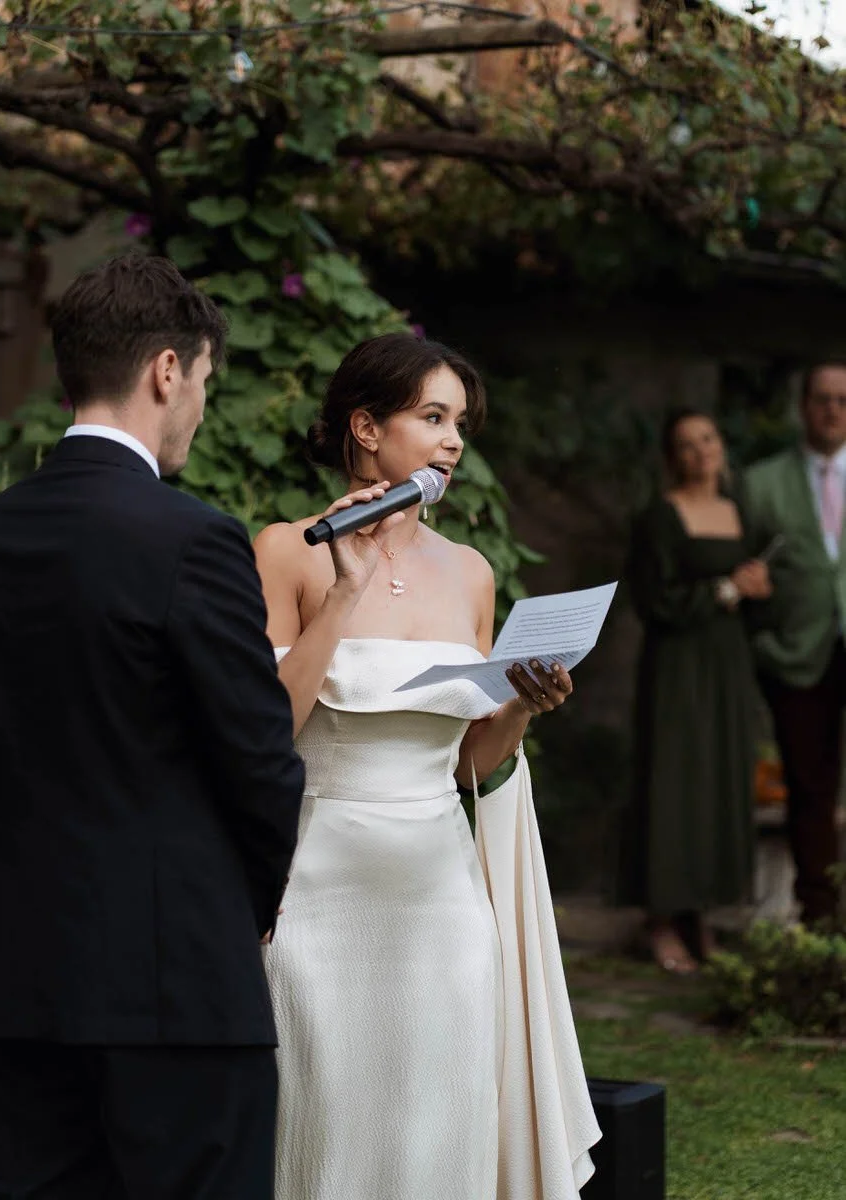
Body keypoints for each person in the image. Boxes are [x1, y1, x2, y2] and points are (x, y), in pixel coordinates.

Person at [0, 254, 305, 1200]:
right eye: (201, 380)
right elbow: (262, 764)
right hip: (178, 979)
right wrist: (251, 909)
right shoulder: (192, 539)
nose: (197, 405)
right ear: (165, 370)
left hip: (26, 973)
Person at [253, 332, 601, 1200]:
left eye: (459, 425)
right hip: (318, 883)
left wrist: (520, 704)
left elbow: (468, 764)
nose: (452, 441)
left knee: (440, 1117)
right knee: (324, 1119)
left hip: (441, 891)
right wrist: (342, 590)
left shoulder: (472, 573)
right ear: (366, 428)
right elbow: (266, 728)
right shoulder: (286, 549)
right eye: (432, 418)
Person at [617, 407, 770, 974]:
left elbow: (751, 601)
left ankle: (698, 912)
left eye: (708, 438)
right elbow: (655, 600)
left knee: (718, 782)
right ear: (671, 457)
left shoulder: (738, 513)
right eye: (686, 444)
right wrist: (728, 589)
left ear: (721, 445)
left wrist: (757, 589)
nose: (700, 451)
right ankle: (659, 919)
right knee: (673, 782)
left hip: (728, 663)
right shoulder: (660, 516)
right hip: (678, 664)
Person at [744, 362, 846, 925]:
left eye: (842, 399)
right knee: (809, 786)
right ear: (804, 406)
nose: (833, 409)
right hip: (796, 652)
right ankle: (820, 915)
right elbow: (743, 565)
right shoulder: (762, 483)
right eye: (823, 398)